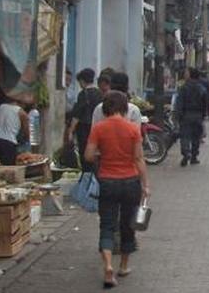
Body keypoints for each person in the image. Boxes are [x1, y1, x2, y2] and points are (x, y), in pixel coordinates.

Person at [84, 91, 150, 289]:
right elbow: (139, 159)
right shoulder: (132, 129)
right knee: (128, 225)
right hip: (130, 182)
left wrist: (101, 154)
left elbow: (88, 156)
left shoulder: (99, 128)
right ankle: (123, 266)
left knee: (107, 225)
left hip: (107, 181)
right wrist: (146, 185)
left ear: (105, 107)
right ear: (124, 107)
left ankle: (108, 266)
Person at [66, 68, 102, 172]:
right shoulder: (99, 93)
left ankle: (87, 176)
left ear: (82, 80)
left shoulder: (83, 94)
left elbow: (77, 115)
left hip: (84, 129)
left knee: (85, 154)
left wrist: (70, 131)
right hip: (97, 128)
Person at [175, 68, 208, 166]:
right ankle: (194, 156)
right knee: (196, 137)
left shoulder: (183, 87)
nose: (185, 74)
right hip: (198, 115)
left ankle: (186, 153)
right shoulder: (202, 88)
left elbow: (179, 103)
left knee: (185, 136)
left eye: (186, 73)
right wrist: (203, 115)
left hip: (186, 115)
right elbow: (205, 103)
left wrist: (178, 115)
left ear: (190, 75)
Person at [0, 99, 28, 165]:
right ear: (23, 104)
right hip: (8, 142)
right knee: (7, 168)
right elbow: (26, 131)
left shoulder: (1, 106)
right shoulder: (22, 113)